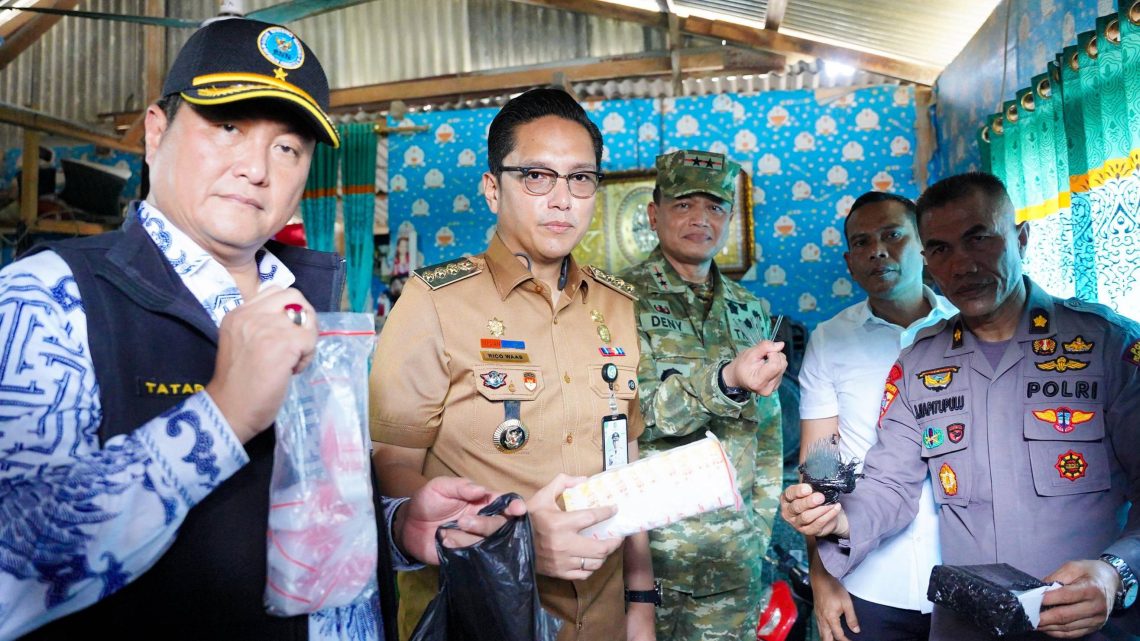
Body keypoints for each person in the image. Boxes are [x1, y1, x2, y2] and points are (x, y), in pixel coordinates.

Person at [0, 19, 521, 641]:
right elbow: (11, 576)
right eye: (228, 127)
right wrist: (218, 419)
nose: (256, 168)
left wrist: (397, 525)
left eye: (287, 148)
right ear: (156, 133)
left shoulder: (313, 309)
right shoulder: (48, 298)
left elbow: (310, 515)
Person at [781, 172, 1140, 640]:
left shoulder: (1106, 346)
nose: (963, 265)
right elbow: (889, 485)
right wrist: (837, 518)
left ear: (1021, 238)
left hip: (1087, 623)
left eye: (979, 239)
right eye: (942, 249)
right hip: (967, 625)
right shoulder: (919, 363)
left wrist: (1116, 572)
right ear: (929, 261)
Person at [369, 88, 656, 641]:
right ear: (492, 189)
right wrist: (512, 539)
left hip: (601, 616)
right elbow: (392, 467)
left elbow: (628, 464)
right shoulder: (435, 302)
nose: (561, 199)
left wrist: (640, 600)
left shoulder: (617, 307)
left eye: (581, 178)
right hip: (481, 612)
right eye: (535, 176)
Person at [617, 149, 786, 641]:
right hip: (651, 564)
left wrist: (758, 528)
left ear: (730, 217)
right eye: (683, 204)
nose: (700, 219)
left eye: (715, 207)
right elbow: (628, 418)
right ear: (654, 213)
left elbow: (768, 428)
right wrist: (724, 380)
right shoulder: (616, 299)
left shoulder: (750, 309)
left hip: (734, 561)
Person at [797, 192, 956, 641]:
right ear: (849, 261)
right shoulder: (830, 340)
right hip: (866, 577)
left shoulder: (968, 327)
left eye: (892, 235)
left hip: (965, 568)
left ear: (924, 245)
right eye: (863, 242)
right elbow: (818, 467)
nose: (878, 250)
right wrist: (823, 575)